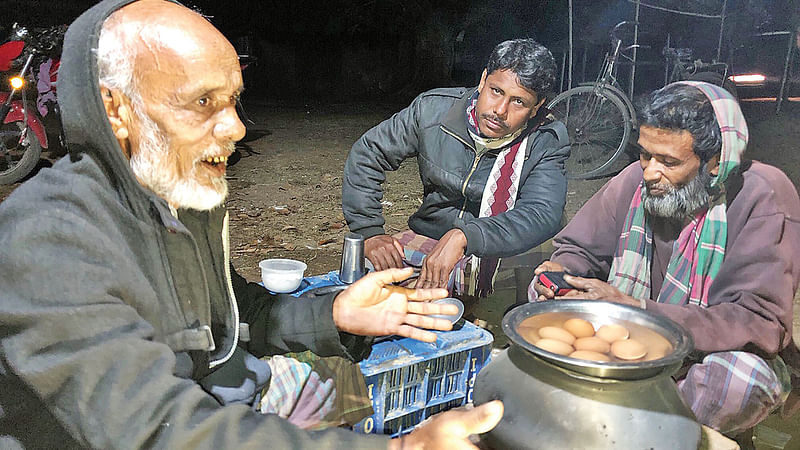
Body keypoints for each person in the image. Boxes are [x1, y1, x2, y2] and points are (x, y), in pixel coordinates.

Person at [0, 0, 503, 448]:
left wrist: (335, 315)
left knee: (357, 390)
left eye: (233, 100)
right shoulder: (48, 239)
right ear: (117, 111)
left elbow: (230, 317)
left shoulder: (180, 198)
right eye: (203, 102)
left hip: (228, 387)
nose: (237, 127)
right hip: (189, 419)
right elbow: (158, 430)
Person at [528, 81, 800, 436]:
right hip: (629, 334)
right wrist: (560, 272)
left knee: (739, 381)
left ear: (715, 161)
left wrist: (640, 310)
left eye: (669, 161)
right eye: (645, 154)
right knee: (540, 297)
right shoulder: (635, 180)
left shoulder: (762, 196)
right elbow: (579, 249)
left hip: (707, 349)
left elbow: (757, 321)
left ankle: (648, 433)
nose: (650, 171)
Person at [342, 39, 569, 300]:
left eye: (518, 102)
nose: (500, 110)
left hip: (502, 247)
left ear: (536, 107)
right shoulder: (433, 110)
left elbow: (541, 213)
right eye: (496, 91)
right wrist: (369, 232)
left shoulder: (546, 139)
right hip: (430, 235)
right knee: (365, 288)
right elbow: (368, 154)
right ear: (483, 80)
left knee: (519, 308)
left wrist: (466, 235)